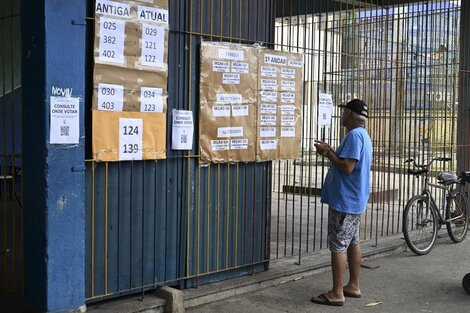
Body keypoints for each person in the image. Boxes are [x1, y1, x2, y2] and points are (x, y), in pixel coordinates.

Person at [311, 99, 372, 307]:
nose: (341, 116)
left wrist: (327, 153)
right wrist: (330, 150)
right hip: (354, 200)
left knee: (338, 245)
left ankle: (337, 293)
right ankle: (353, 285)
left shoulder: (354, 136)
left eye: (343, 112)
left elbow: (347, 167)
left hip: (346, 201)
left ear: (348, 113)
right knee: (352, 242)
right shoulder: (363, 135)